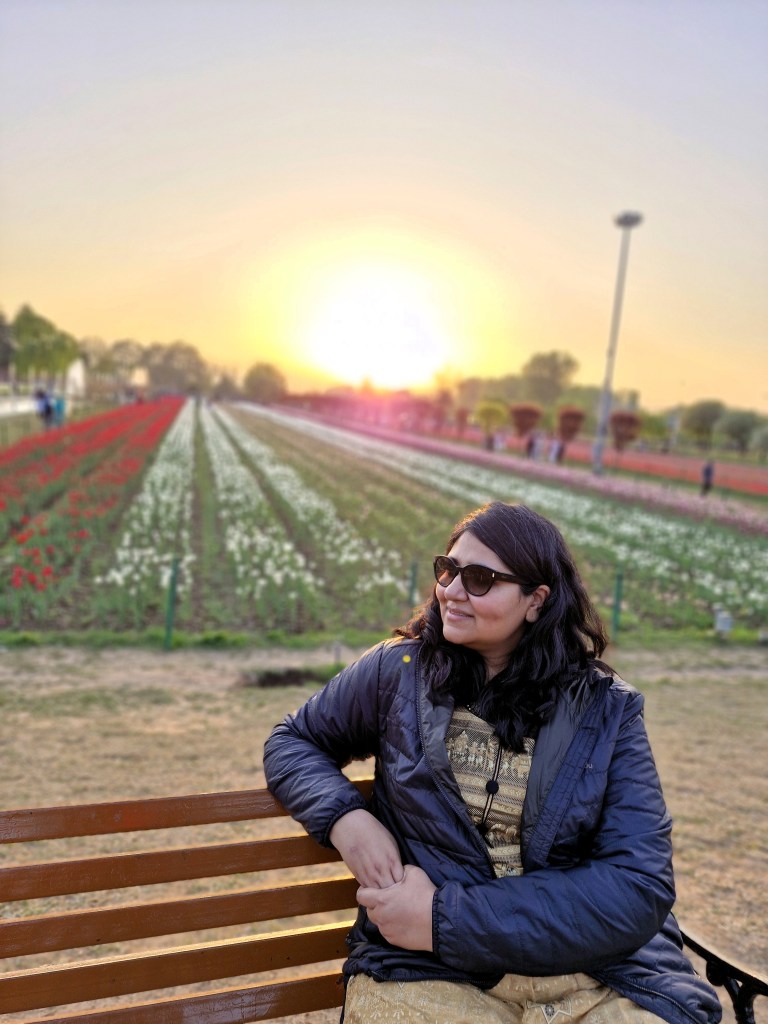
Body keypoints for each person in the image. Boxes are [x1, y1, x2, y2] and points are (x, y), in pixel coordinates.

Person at [264, 502, 721, 1024]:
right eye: (448, 569)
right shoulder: (398, 672)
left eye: (480, 578)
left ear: (536, 600)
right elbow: (292, 741)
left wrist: (443, 918)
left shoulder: (604, 709)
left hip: (594, 973)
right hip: (430, 973)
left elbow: (638, 886)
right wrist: (348, 819)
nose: (452, 591)